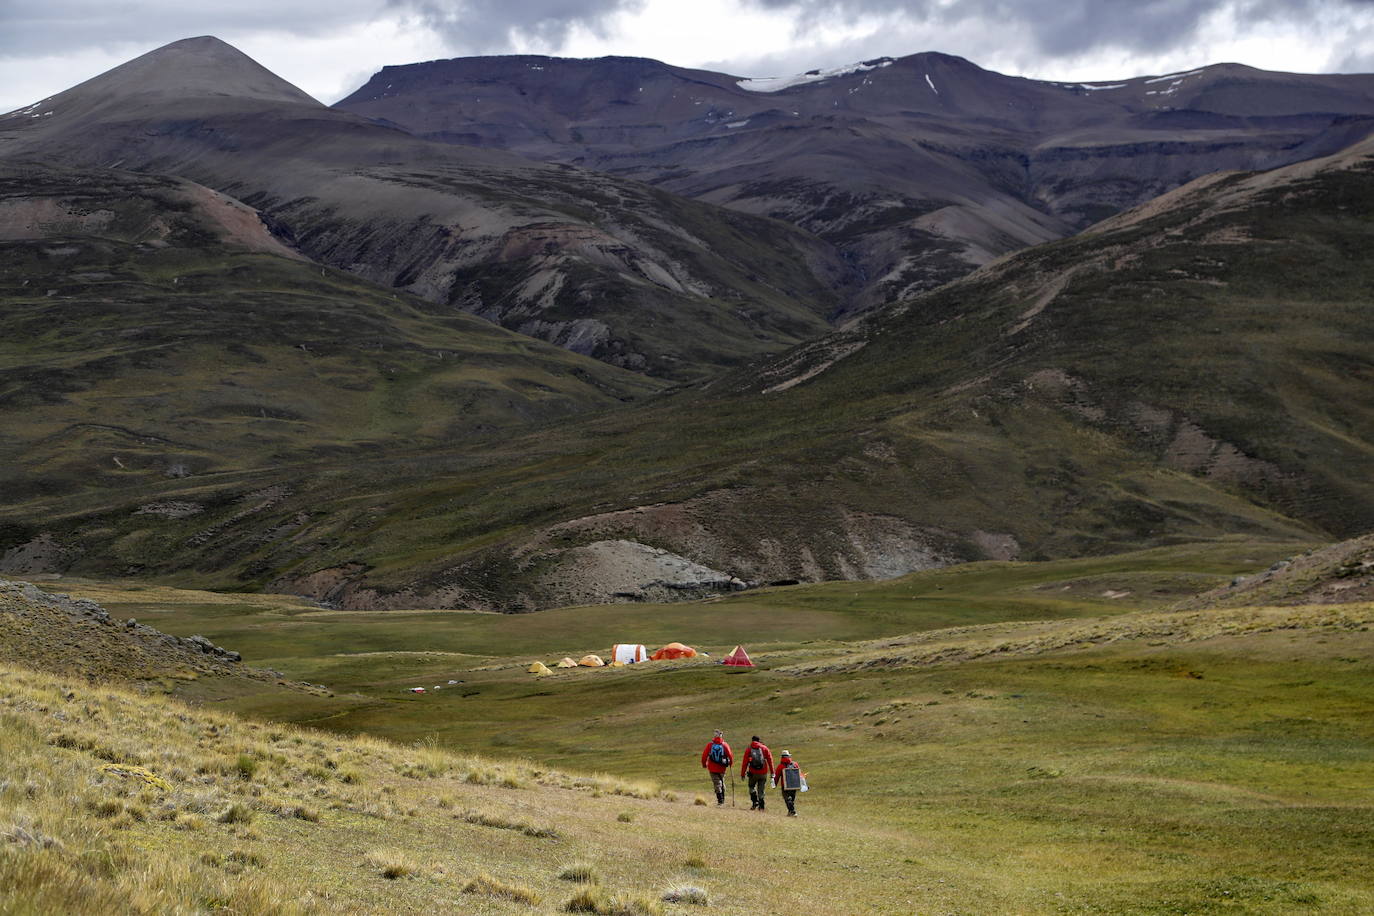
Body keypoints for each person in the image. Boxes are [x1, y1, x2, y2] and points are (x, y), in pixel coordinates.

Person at [740, 735, 774, 811]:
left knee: (751, 787)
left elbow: (745, 763)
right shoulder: (765, 748)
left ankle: (755, 801)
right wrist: (772, 773)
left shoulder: (749, 749)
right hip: (763, 773)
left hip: (753, 773)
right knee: (761, 789)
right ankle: (761, 807)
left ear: (752, 741)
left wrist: (743, 774)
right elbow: (770, 761)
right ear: (759, 741)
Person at [700, 729, 733, 805]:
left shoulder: (710, 745)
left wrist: (704, 764)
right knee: (721, 781)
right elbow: (730, 755)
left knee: (717, 783)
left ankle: (720, 800)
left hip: (712, 767)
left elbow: (704, 756)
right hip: (722, 767)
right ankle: (723, 798)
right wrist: (730, 763)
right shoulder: (725, 745)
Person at [773, 750, 803, 816]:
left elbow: (777, 776)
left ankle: (792, 812)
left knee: (787, 799)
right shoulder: (795, 764)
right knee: (792, 799)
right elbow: (799, 774)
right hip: (794, 785)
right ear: (789, 756)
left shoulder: (780, 766)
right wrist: (802, 783)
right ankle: (790, 812)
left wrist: (774, 784)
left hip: (785, 785)